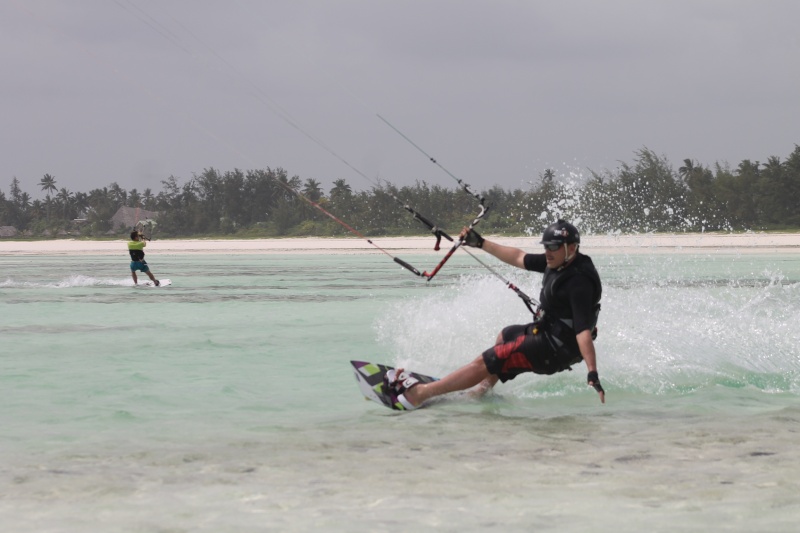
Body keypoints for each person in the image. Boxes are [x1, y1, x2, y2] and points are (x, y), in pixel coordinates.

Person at [387, 219, 604, 410]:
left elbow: (582, 330)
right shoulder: (557, 260)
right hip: (550, 334)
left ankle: (420, 394)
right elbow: (519, 257)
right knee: (506, 336)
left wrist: (592, 372)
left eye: (553, 247)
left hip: (555, 349)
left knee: (487, 360)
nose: (547, 251)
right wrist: (481, 243)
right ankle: (480, 390)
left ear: (572, 247)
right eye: (546, 246)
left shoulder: (579, 282)